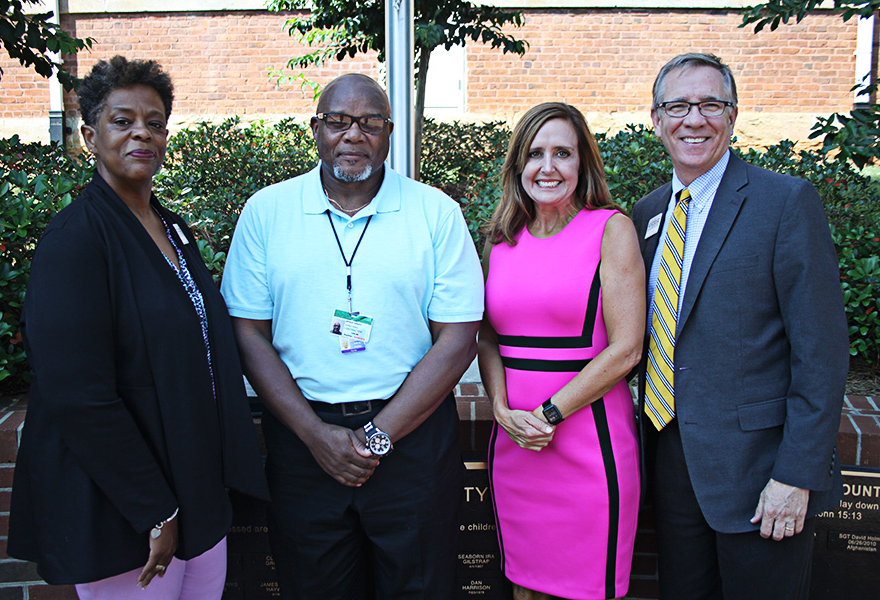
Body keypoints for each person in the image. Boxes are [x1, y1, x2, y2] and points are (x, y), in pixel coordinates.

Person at [6, 56, 269, 599]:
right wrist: (155, 509)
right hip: (128, 508)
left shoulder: (172, 229)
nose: (141, 133)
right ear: (88, 134)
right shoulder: (75, 242)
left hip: (194, 485)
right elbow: (79, 397)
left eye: (154, 122)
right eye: (122, 121)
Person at [221, 73, 484, 599]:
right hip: (303, 444)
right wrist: (316, 437)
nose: (353, 135)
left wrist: (378, 435)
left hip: (412, 444)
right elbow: (247, 332)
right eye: (338, 121)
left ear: (389, 133)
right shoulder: (267, 212)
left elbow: (458, 338)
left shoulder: (435, 213)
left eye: (369, 123)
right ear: (316, 129)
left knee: (423, 588)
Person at [631, 53, 848, 600]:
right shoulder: (647, 213)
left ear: (733, 115)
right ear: (656, 119)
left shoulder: (784, 202)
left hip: (761, 473)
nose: (694, 119)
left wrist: (796, 476)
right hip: (671, 462)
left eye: (711, 104)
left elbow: (820, 355)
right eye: (678, 105)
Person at [478, 102, 645, 600]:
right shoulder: (499, 240)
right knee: (524, 590)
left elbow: (627, 349)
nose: (547, 167)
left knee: (587, 589)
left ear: (583, 163)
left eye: (563, 153)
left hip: (588, 446)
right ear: (518, 166)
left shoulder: (611, 229)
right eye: (535, 153)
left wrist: (548, 414)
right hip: (515, 447)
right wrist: (502, 409)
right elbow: (487, 337)